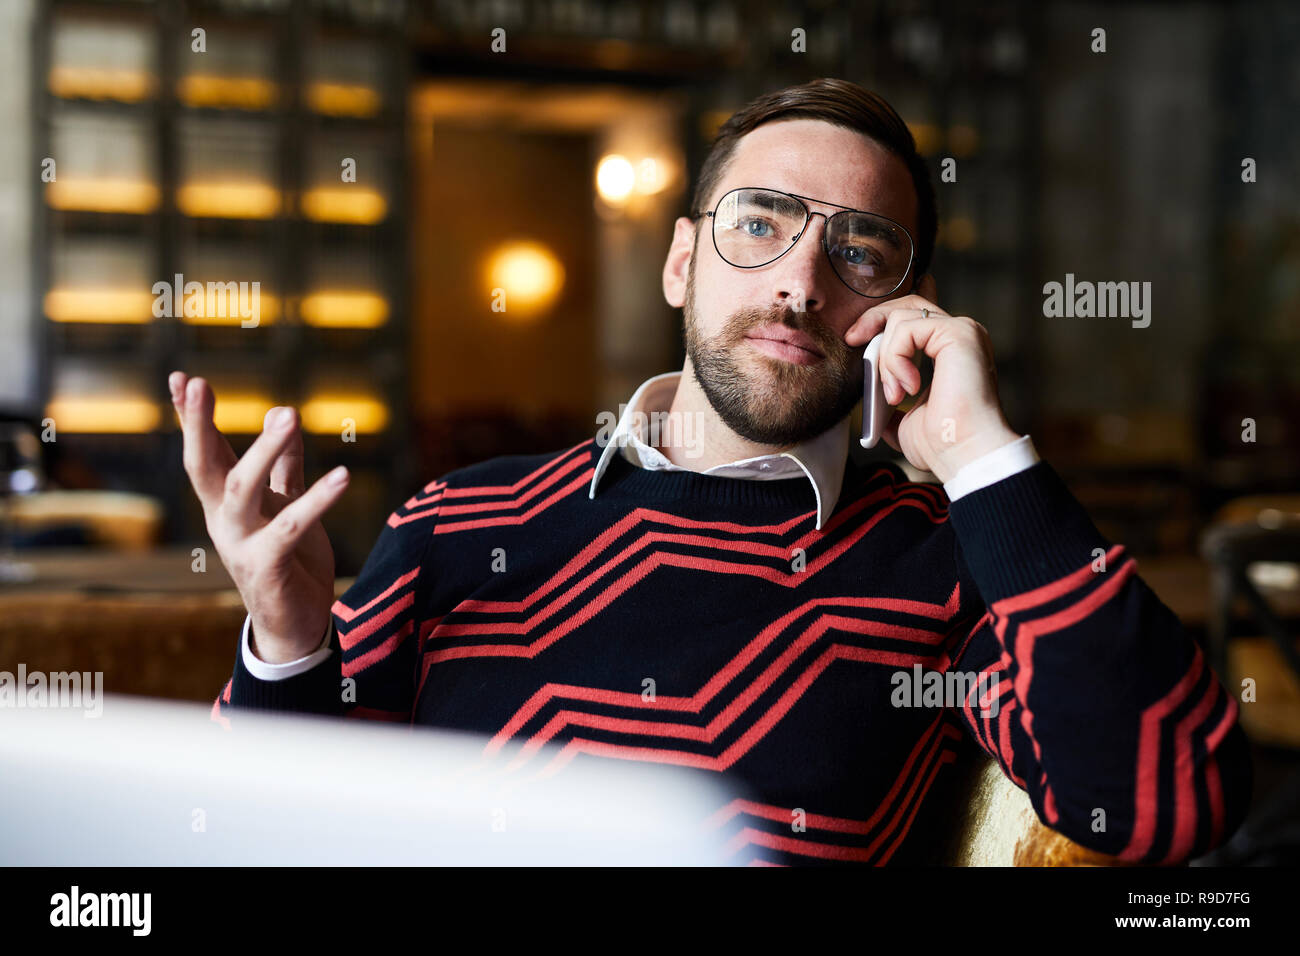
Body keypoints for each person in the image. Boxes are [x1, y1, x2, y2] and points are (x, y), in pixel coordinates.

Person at [174, 77, 1251, 866]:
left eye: (860, 250)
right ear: (682, 260)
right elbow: (254, 836)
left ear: (905, 309)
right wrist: (289, 649)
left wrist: (980, 460)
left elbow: (1166, 797)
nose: (798, 281)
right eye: (760, 224)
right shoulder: (462, 516)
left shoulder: (942, 562)